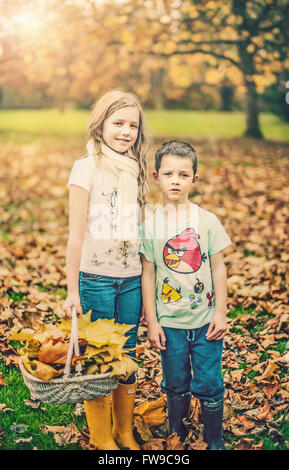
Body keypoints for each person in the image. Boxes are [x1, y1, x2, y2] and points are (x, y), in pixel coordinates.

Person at [63, 90, 149, 450]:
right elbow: (75, 234)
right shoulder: (87, 166)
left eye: (133, 125)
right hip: (95, 277)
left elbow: (142, 227)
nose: (126, 131)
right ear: (100, 126)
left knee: (127, 353)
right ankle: (101, 436)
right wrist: (71, 290)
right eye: (118, 123)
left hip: (130, 278)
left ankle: (123, 431)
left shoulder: (138, 169)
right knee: (99, 355)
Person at [140, 140, 232, 450]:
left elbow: (218, 268)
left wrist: (220, 312)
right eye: (168, 174)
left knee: (208, 381)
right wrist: (152, 323)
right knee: (175, 383)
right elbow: (149, 274)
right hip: (170, 324)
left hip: (206, 322)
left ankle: (214, 439)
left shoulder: (206, 221)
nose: (175, 180)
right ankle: (176, 432)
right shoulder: (150, 226)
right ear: (156, 177)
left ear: (194, 178)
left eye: (183, 174)